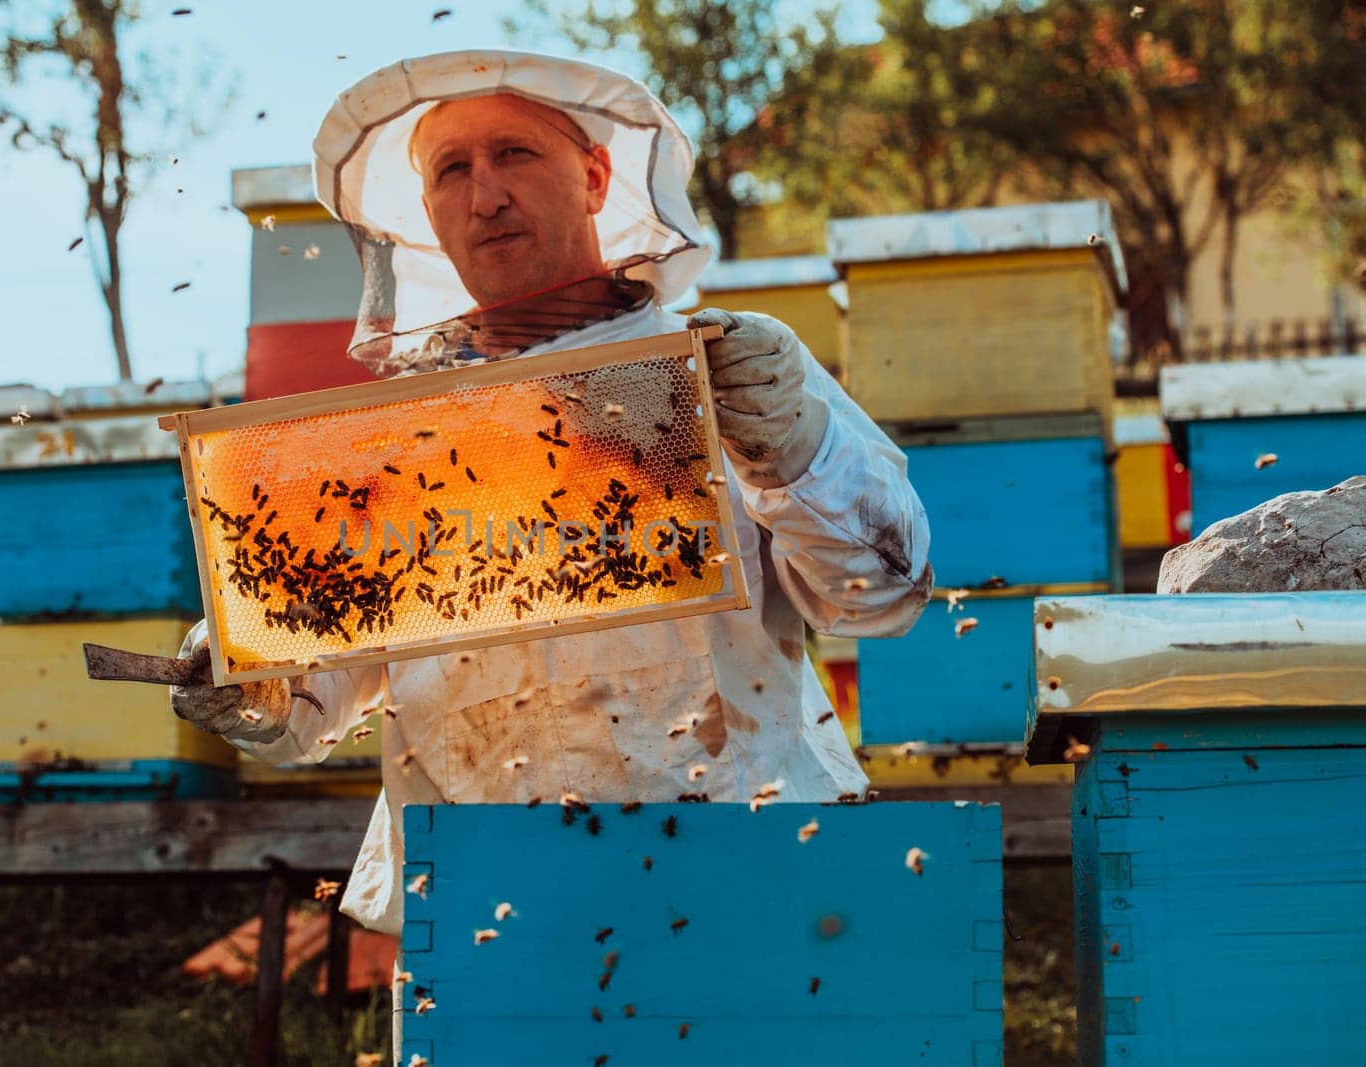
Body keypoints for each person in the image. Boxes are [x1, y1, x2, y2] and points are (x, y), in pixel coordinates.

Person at [171, 50, 932, 937]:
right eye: (452, 170)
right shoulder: (395, 436)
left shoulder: (722, 364)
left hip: (737, 869)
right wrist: (254, 683)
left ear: (597, 176)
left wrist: (794, 444)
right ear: (428, 215)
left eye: (515, 155)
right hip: (477, 899)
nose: (484, 194)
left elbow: (882, 592)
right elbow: (324, 693)